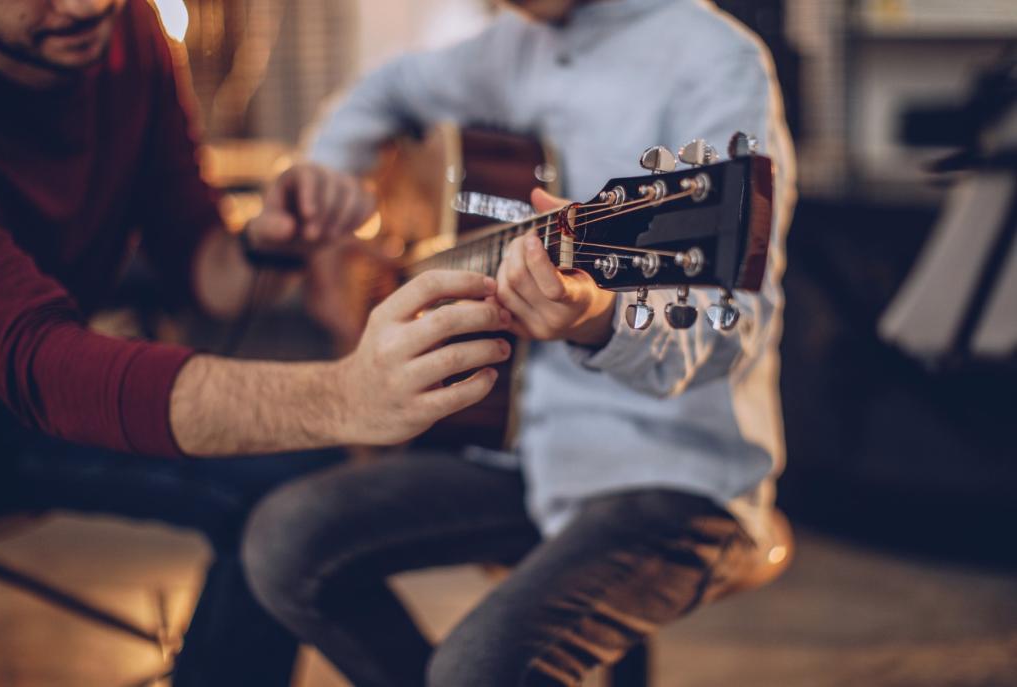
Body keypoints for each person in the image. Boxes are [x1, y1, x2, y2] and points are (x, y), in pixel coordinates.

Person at [242, 0, 797, 684]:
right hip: (525, 450)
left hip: (676, 475)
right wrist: (332, 169)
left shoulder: (715, 58)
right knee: (284, 539)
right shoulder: (507, 48)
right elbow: (384, 88)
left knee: (476, 670)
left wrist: (598, 317)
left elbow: (726, 327)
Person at [0, 0, 512, 684]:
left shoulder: (131, 29)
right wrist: (344, 395)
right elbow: (40, 365)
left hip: (32, 394)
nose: (87, 5)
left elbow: (203, 267)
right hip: (14, 402)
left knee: (294, 480)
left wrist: (270, 241)